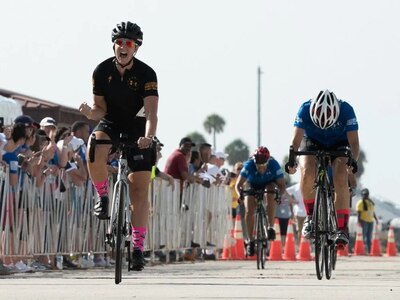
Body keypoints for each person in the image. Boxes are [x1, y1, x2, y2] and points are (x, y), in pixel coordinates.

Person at [79, 21, 159, 271]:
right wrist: (90, 113)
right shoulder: (101, 71)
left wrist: (149, 137)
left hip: (138, 127)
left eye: (129, 43)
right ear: (114, 45)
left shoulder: (147, 74)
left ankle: (137, 249)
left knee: (139, 191)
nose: (123, 47)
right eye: (120, 43)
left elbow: (151, 113)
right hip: (111, 121)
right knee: (95, 145)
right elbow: (99, 108)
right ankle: (102, 196)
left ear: (136, 48)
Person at [285, 90, 359, 249]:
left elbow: (354, 143)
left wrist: (352, 162)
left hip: (339, 143)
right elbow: (296, 141)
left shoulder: (346, 110)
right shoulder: (304, 109)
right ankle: (310, 217)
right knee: (307, 170)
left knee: (340, 174)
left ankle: (341, 227)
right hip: (312, 141)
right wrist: (292, 161)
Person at [235, 146, 289, 257]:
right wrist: (239, 195)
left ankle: (270, 227)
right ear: (254, 163)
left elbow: (282, 186)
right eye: (258, 166)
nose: (261, 169)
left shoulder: (274, 165)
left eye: (264, 166)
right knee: (249, 210)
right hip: (252, 184)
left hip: (269, 183)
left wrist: (279, 196)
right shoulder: (249, 165)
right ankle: (250, 241)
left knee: (270, 193)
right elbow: (238, 185)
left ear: (267, 162)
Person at [356, 188, 379, 254]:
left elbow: (372, 212)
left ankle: (369, 251)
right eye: (365, 194)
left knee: (369, 237)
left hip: (370, 221)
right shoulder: (360, 203)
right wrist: (359, 222)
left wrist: (376, 219)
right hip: (364, 221)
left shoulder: (370, 202)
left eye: (367, 194)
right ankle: (362, 250)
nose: (366, 195)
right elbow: (359, 213)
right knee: (362, 236)